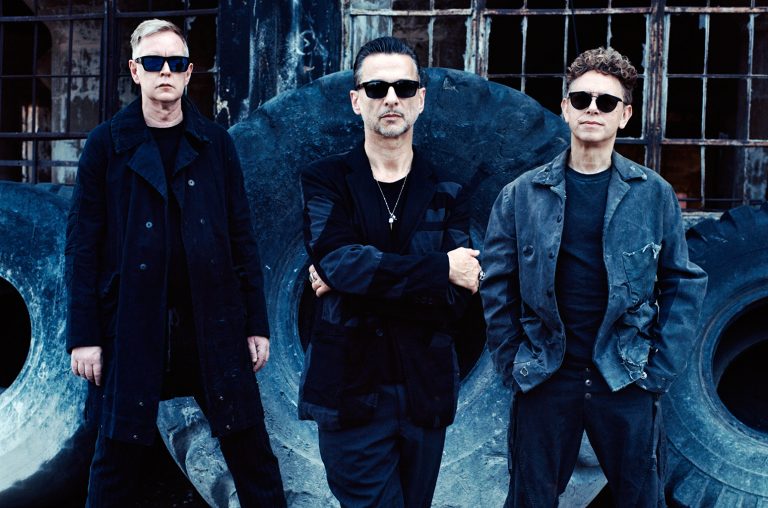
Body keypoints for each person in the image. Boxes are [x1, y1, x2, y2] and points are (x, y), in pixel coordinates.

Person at [65, 19, 286, 507]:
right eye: (153, 62)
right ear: (135, 71)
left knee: (252, 451)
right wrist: (84, 336)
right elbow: (82, 246)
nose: (165, 71)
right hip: (130, 323)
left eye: (176, 62)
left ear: (188, 73)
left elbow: (241, 238)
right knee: (115, 456)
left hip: (213, 321)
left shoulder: (216, 144)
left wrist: (255, 324)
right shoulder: (105, 145)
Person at [481, 47, 708, 507]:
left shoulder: (653, 194)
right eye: (581, 99)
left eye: (606, 102)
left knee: (640, 498)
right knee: (530, 499)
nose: (592, 109)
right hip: (546, 373)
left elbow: (683, 282)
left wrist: (657, 370)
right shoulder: (522, 194)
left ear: (625, 115)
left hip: (624, 374)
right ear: (565, 108)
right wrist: (512, 363)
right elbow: (497, 284)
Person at [299, 36, 481, 507]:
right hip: (348, 390)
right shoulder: (325, 180)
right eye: (377, 88)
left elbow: (456, 298)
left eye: (404, 87)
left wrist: (356, 280)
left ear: (421, 99)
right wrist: (440, 267)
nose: (391, 98)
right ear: (356, 100)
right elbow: (339, 261)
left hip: (425, 392)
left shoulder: (450, 190)